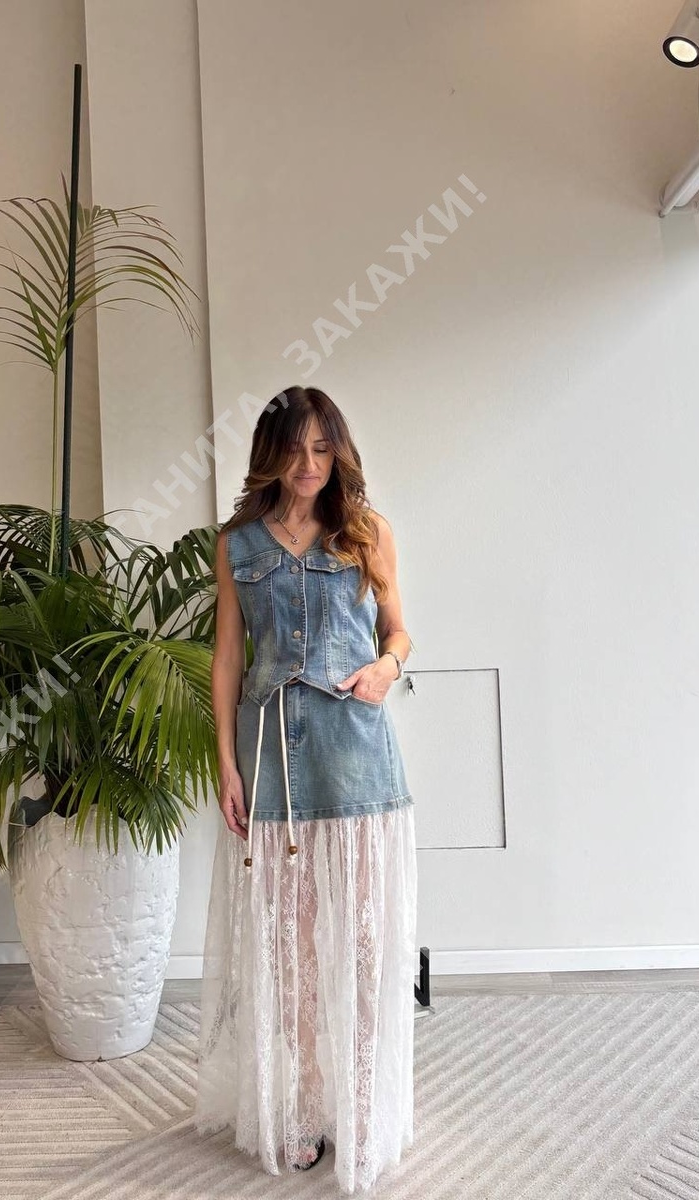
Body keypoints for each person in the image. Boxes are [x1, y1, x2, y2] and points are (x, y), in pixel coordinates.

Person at [192, 385, 418, 1195]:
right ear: (271, 454)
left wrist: (386, 668)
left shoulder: (367, 531)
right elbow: (228, 657)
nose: (310, 465)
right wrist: (226, 763)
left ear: (339, 452)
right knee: (289, 947)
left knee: (360, 941)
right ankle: (301, 1102)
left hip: (355, 759)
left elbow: (399, 630)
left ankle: (358, 1106)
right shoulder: (237, 545)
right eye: (295, 449)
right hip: (272, 760)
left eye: (323, 449)